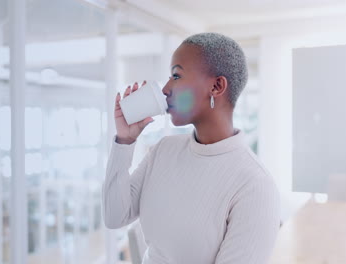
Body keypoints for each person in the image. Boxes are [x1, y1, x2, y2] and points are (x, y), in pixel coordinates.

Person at [102, 32, 280, 264]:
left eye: (176, 76)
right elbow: (115, 216)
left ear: (216, 86)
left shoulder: (255, 185)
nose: (165, 89)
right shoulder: (163, 150)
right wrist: (124, 142)